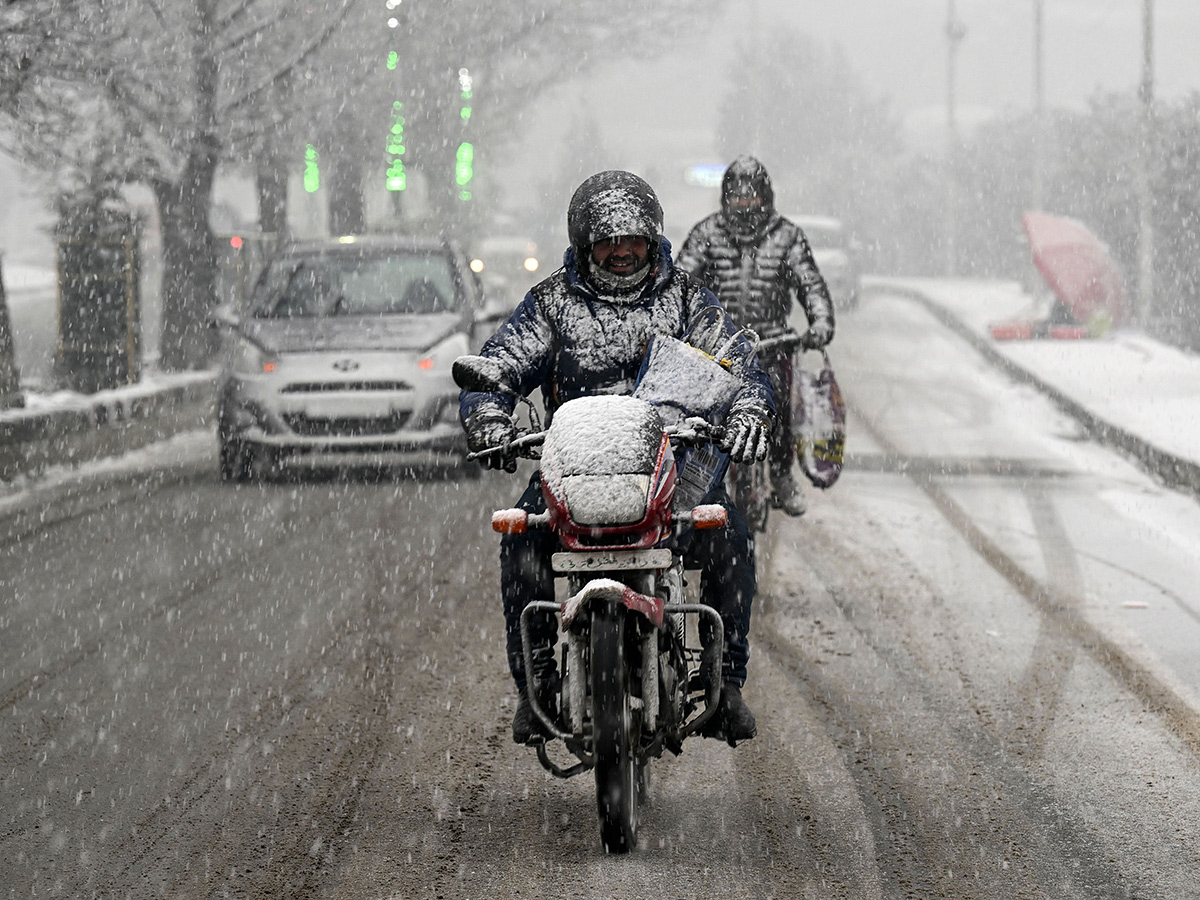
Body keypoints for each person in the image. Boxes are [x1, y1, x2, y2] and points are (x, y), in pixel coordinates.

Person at [459, 170, 775, 745]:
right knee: (521, 541)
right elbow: (500, 364)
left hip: (671, 473)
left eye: (632, 239)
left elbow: (740, 362)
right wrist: (488, 413)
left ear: (653, 238)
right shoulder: (552, 302)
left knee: (732, 539)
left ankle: (725, 683)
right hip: (572, 472)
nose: (621, 251)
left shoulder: (686, 298)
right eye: (607, 240)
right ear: (584, 244)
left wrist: (751, 406)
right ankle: (539, 685)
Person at [676, 154, 836, 517]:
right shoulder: (706, 234)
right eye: (737, 195)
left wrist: (820, 323)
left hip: (774, 342)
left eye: (751, 195)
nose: (744, 203)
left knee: (778, 409)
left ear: (766, 196)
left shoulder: (787, 236)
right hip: (720, 347)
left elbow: (810, 284)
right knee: (703, 420)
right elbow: (682, 283)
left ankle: (781, 475)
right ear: (725, 197)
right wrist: (677, 326)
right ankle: (701, 482)